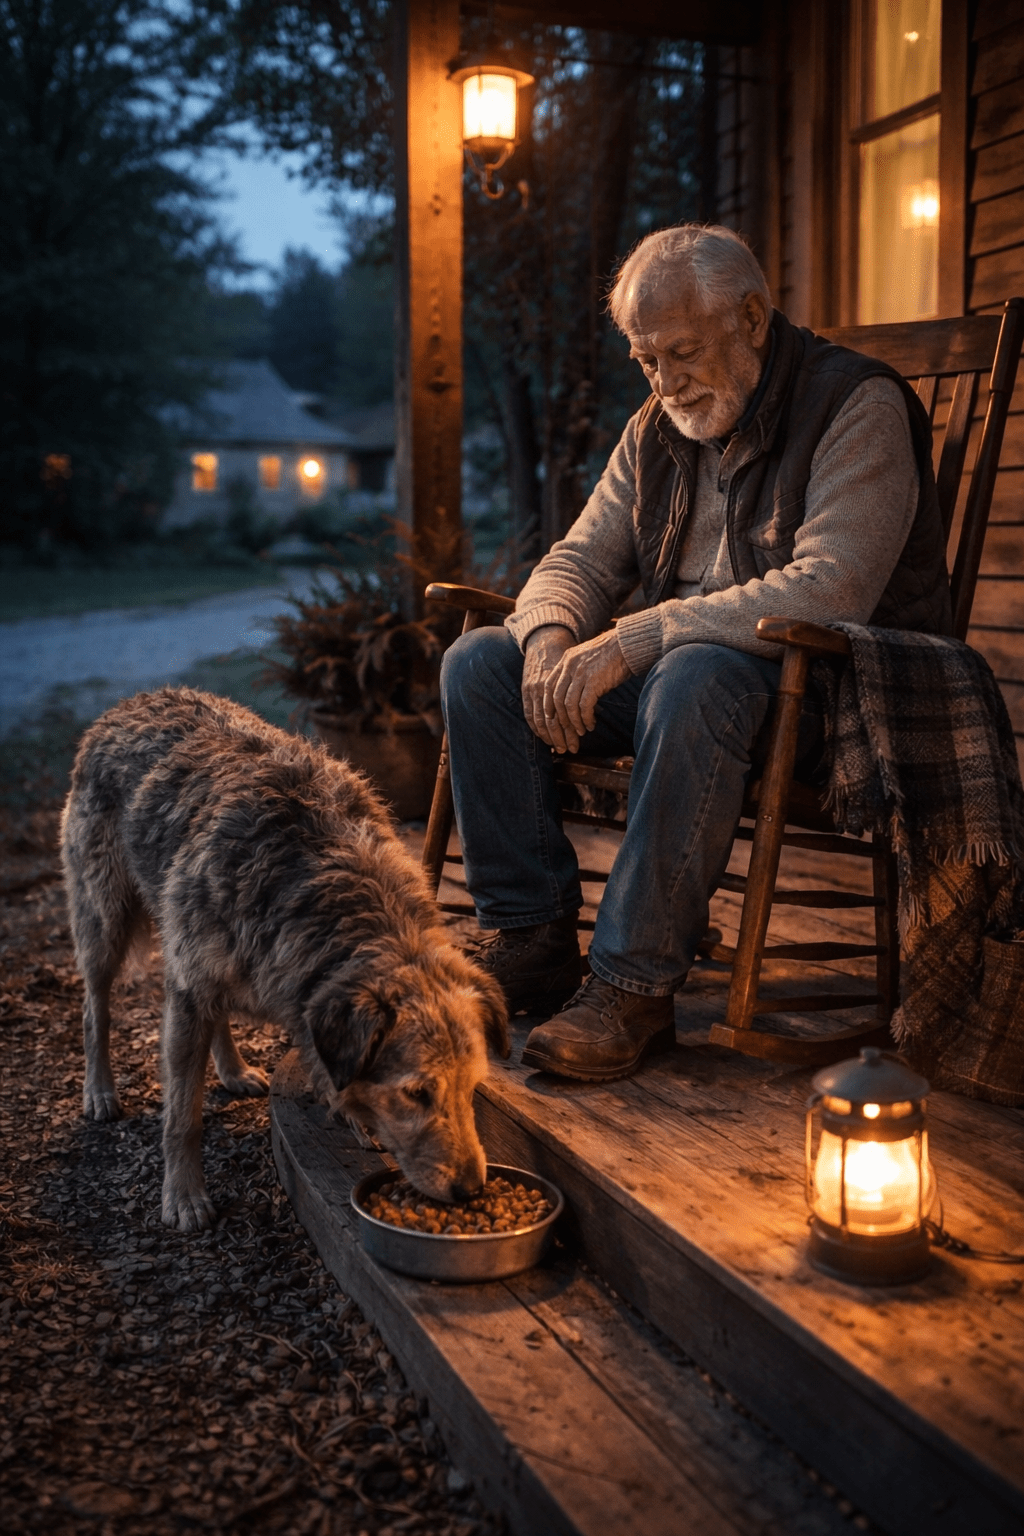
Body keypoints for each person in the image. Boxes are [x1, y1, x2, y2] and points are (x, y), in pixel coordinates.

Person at [440, 224, 951, 1083]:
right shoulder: (656, 426)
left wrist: (637, 634)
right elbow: (579, 556)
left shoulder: (857, 404)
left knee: (693, 670)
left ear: (751, 318)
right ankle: (530, 938)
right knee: (483, 664)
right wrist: (552, 639)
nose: (665, 382)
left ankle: (631, 989)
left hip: (827, 695)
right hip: (683, 680)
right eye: (646, 360)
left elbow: (831, 589)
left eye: (682, 353)